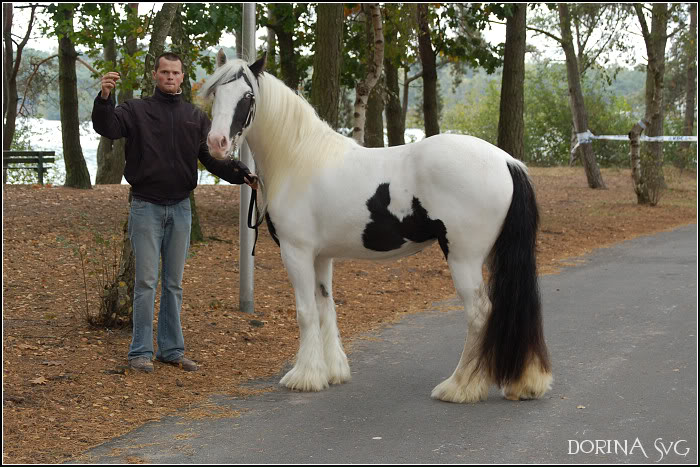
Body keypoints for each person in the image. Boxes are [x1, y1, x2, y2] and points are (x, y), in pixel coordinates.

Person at [92, 52, 258, 373]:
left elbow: (213, 159)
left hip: (181, 209)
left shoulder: (194, 118)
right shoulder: (135, 110)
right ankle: (140, 352)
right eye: (164, 72)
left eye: (175, 72)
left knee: (173, 284)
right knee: (146, 282)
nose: (170, 77)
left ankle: (171, 350)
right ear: (155, 75)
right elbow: (108, 127)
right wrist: (105, 98)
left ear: (183, 77)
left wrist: (243, 174)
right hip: (146, 207)